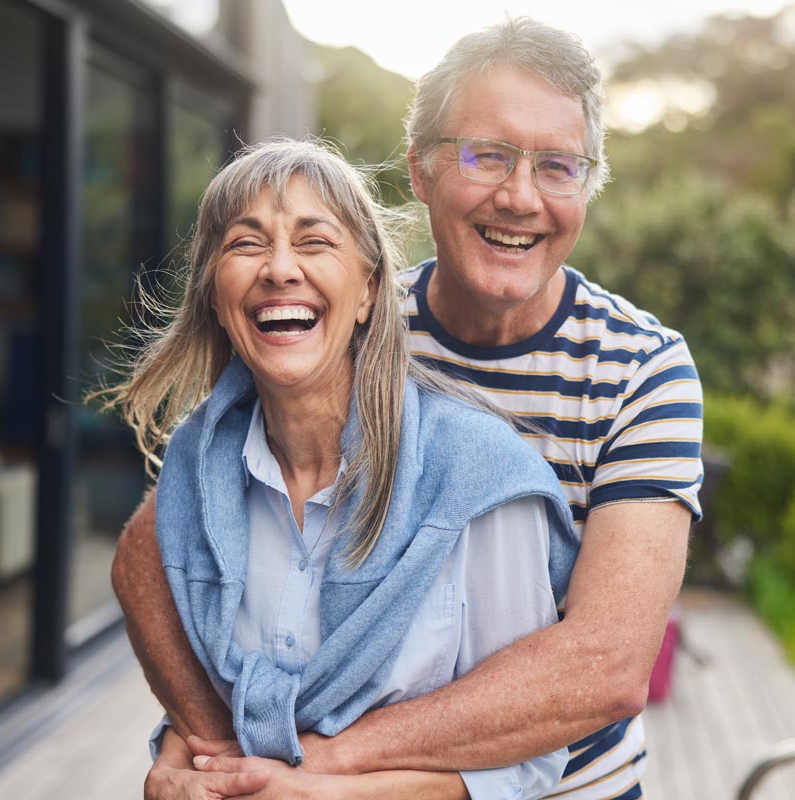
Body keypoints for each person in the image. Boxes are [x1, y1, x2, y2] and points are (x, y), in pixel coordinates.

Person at [112, 16, 703, 800]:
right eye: (486, 155)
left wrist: (319, 762)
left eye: (557, 166)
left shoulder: (642, 369)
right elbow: (160, 544)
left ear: (585, 188)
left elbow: (606, 665)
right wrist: (208, 743)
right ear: (420, 171)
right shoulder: (334, 317)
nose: (519, 196)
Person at [101, 135, 580, 799]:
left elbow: (528, 762)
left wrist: (327, 794)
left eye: (313, 241)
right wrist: (178, 768)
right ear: (216, 297)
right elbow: (220, 696)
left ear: (367, 293)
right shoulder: (198, 472)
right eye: (246, 243)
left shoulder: (475, 477)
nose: (278, 268)